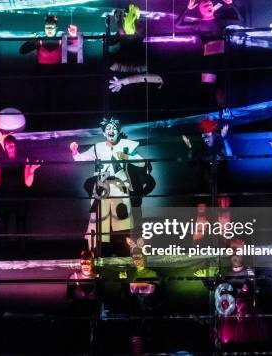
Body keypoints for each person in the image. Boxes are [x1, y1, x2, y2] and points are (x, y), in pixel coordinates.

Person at [70, 117, 146, 256]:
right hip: (102, 186)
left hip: (119, 185)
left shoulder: (125, 145)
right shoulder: (97, 147)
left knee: (123, 222)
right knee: (98, 221)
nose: (111, 131)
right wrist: (75, 151)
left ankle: (127, 255)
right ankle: (93, 254)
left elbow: (142, 163)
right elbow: (80, 158)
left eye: (114, 128)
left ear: (118, 131)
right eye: (108, 129)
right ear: (104, 133)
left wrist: (126, 156)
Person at [175, 0, 242, 108]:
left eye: (210, 4)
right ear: (200, 9)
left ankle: (223, 112)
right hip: (209, 61)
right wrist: (187, 8)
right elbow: (178, 25)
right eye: (206, 5)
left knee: (223, 89)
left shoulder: (219, 22)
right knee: (207, 90)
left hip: (222, 58)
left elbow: (240, 20)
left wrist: (231, 4)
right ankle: (207, 117)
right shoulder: (198, 24)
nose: (209, 6)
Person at [0, 135, 41, 252]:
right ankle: (3, 251)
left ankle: (23, 251)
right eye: (7, 145)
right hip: (4, 199)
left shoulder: (24, 159)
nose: (10, 147)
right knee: (2, 225)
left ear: (16, 145)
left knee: (21, 223)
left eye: (12, 144)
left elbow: (28, 183)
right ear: (4, 147)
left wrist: (32, 170)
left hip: (20, 197)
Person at [215, 240, 266, 346]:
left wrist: (252, 282)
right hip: (230, 318)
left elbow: (258, 291)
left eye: (238, 251)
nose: (235, 254)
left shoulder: (249, 272)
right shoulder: (223, 272)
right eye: (233, 251)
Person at [107, 4, 163, 93]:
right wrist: (124, 81)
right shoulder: (154, 78)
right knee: (130, 35)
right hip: (135, 55)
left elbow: (114, 66)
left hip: (129, 54)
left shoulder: (121, 66)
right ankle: (125, 20)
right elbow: (157, 78)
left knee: (127, 36)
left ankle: (124, 21)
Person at [67, 250, 101, 315]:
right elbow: (69, 298)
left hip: (93, 313)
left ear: (92, 263)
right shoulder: (73, 277)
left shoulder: (98, 277)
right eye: (82, 262)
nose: (85, 265)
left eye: (88, 262)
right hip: (77, 314)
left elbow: (101, 298)